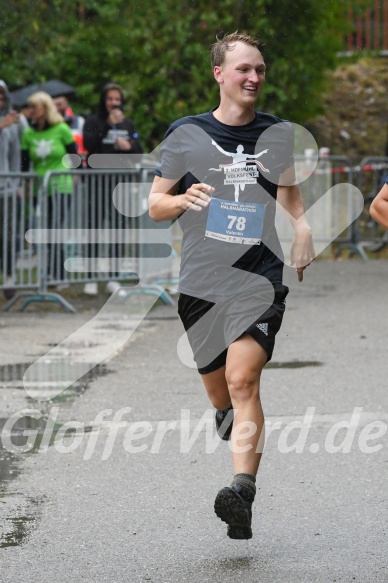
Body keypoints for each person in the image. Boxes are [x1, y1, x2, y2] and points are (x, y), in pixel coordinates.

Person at [149, 32, 314, 540]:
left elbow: (288, 194)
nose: (254, 78)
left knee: (245, 380)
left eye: (260, 69)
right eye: (244, 69)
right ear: (219, 74)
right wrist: (182, 199)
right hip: (201, 281)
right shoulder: (186, 134)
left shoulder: (278, 134)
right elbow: (156, 203)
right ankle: (227, 417)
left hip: (257, 277)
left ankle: (241, 490)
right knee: (222, 394)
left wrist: (302, 227)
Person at [82, 83, 143, 295]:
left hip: (120, 184)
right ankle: (90, 277)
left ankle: (114, 277)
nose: (114, 103)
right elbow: (90, 145)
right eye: (110, 99)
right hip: (97, 183)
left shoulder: (127, 124)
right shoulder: (92, 121)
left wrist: (130, 147)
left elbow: (139, 152)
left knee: (118, 230)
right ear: (103, 100)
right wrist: (107, 126)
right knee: (94, 229)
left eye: (117, 99)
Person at [21, 91, 77, 282]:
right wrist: (25, 185)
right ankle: (48, 271)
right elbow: (24, 163)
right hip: (40, 187)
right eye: (30, 107)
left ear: (45, 108)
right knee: (43, 229)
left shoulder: (61, 128)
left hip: (61, 186)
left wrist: (76, 174)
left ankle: (58, 272)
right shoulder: (28, 133)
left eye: (35, 107)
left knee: (54, 227)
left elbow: (74, 156)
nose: (31, 111)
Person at [0, 80, 28, 299]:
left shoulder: (14, 121)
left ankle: (10, 276)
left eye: (2, 97)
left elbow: (19, 153)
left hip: (6, 187)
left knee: (8, 235)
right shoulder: (5, 123)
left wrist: (19, 182)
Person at [53, 95, 87, 162]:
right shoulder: (48, 124)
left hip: (77, 160)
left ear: (66, 102)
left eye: (59, 104)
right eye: (55, 105)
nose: (58, 108)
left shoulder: (79, 121)